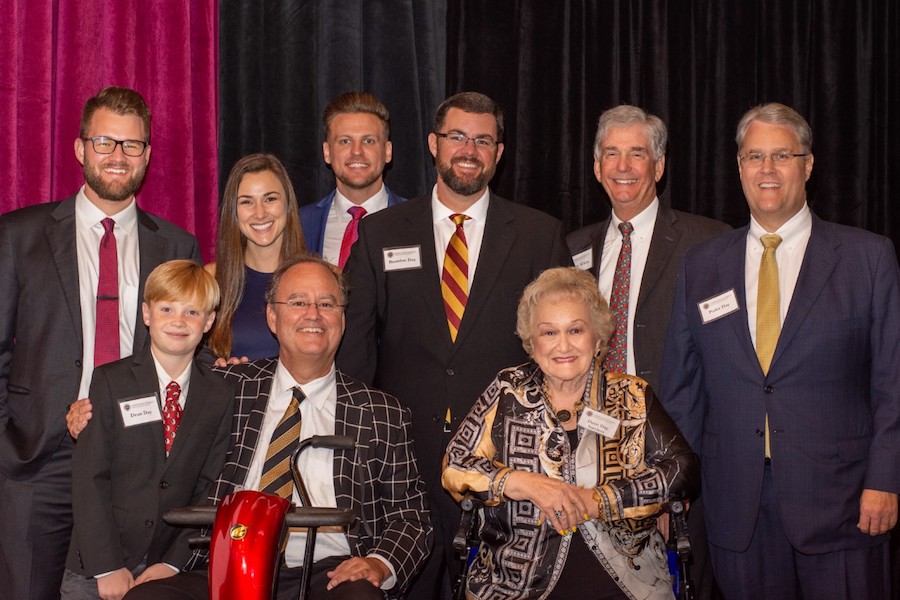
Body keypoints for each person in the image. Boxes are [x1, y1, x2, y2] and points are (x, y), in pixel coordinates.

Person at [337, 91, 573, 598]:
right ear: (432, 144)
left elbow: (561, 358)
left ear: (499, 152)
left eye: (483, 139)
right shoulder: (380, 233)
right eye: (457, 136)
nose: (469, 149)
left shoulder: (539, 235)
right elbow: (355, 350)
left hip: (505, 466)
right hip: (403, 465)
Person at [659, 102, 900, 599]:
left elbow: (891, 383)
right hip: (736, 507)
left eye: (781, 156)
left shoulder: (868, 258)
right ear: (739, 167)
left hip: (844, 504)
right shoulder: (703, 265)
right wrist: (671, 492)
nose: (766, 170)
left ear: (807, 165)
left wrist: (886, 480)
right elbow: (682, 392)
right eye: (753, 157)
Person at [120, 255, 432, 600]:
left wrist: (378, 563)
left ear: (342, 319)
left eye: (327, 304)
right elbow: (151, 414)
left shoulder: (382, 413)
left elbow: (412, 517)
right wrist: (90, 411)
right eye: (298, 302)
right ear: (272, 316)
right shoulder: (225, 387)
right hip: (223, 560)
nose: (313, 314)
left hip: (330, 572)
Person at [0, 85, 201, 600]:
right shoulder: (20, 235)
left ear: (148, 155)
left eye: (131, 145)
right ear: (80, 148)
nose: (118, 156)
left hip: (132, 465)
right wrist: (9, 439)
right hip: (38, 463)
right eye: (105, 142)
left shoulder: (177, 246)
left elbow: (182, 357)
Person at [443, 266, 698, 599]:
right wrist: (525, 484)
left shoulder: (631, 394)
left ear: (597, 339)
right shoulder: (508, 390)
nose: (563, 345)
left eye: (575, 330)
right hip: (514, 584)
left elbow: (683, 469)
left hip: (629, 581)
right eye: (549, 333)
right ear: (532, 343)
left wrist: (600, 500)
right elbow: (455, 465)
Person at [566, 104, 729, 599]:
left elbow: (723, 362)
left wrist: (668, 482)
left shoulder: (709, 243)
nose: (623, 166)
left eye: (637, 153)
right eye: (611, 154)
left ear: (659, 166)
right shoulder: (577, 246)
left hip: (681, 452)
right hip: (595, 456)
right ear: (596, 168)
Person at [61, 260, 234, 600]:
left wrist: (173, 563)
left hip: (168, 567)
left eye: (192, 312)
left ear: (209, 321)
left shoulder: (219, 394)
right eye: (167, 308)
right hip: (97, 565)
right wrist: (107, 566)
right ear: (147, 313)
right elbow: (90, 478)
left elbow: (211, 487)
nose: (178, 321)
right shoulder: (112, 380)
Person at [206, 153, 307, 361]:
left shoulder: (319, 280)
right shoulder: (209, 279)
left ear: (288, 204)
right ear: (233, 211)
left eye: (270, 199)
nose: (260, 213)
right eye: (246, 202)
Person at [301, 91, 405, 268]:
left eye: (369, 141)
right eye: (345, 141)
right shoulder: (300, 223)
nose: (357, 151)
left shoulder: (418, 222)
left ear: (387, 151)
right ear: (327, 152)